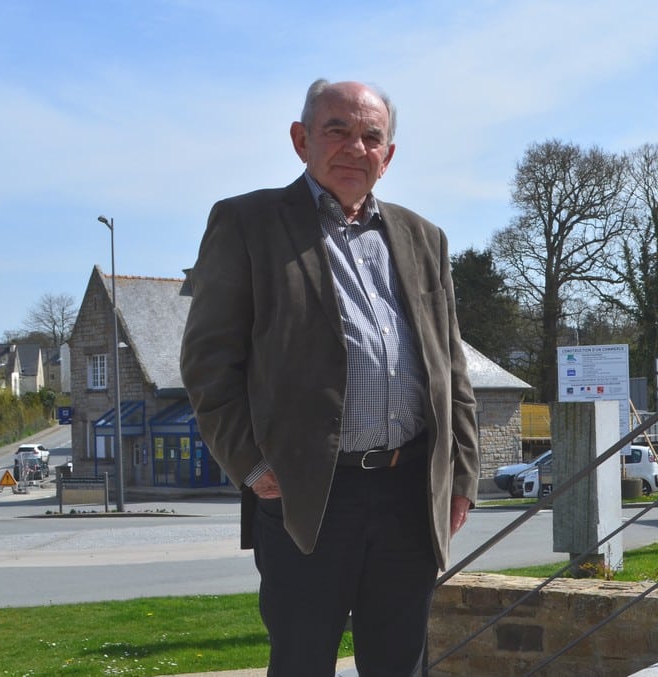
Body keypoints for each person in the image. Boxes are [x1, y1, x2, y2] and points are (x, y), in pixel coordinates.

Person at [180, 78, 480, 676]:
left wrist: (463, 473)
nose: (354, 147)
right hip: (309, 493)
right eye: (336, 130)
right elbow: (209, 362)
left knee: (400, 663)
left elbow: (450, 364)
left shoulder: (423, 237)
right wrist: (252, 464)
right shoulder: (248, 222)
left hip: (409, 490)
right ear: (301, 140)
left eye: (372, 136)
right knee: (302, 661)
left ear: (387, 156)